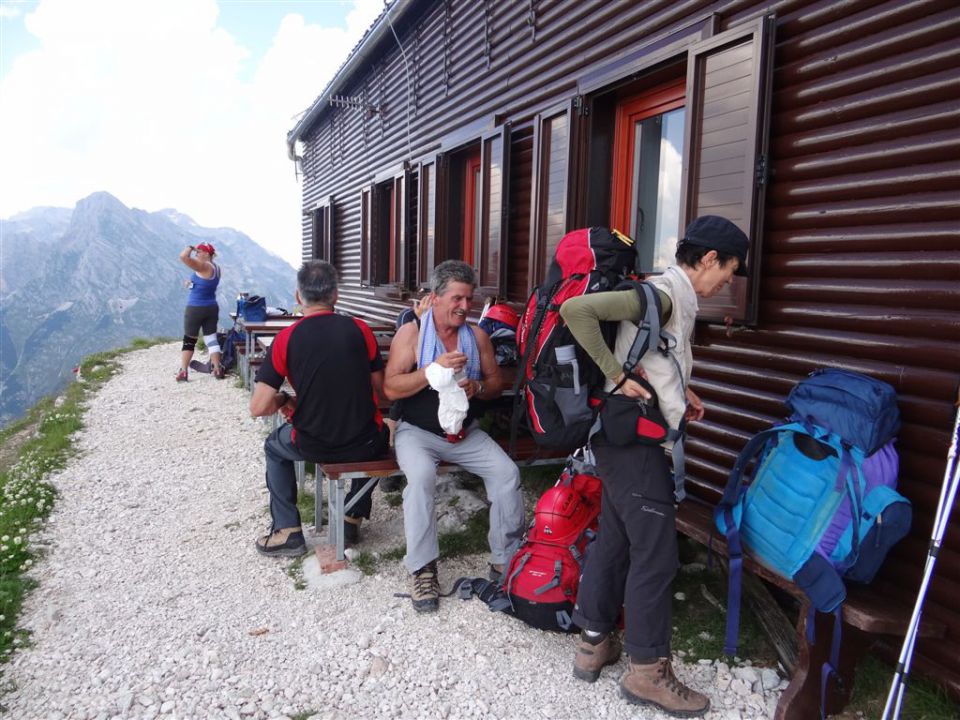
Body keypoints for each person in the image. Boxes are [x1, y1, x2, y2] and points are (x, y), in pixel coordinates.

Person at [558, 215, 749, 717]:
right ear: (709, 259)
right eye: (727, 271)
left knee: (617, 539)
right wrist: (617, 377)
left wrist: (679, 390)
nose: (726, 282)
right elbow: (576, 310)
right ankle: (647, 672)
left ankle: (593, 643)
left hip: (625, 439)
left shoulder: (673, 300)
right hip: (635, 445)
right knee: (657, 555)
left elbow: (652, 350)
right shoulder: (664, 295)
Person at [384, 260, 525, 613]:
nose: (465, 306)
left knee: (507, 474)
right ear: (435, 298)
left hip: (464, 433)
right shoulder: (412, 334)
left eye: (470, 299)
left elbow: (496, 384)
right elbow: (390, 387)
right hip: (416, 432)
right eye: (457, 298)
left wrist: (478, 386)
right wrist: (432, 371)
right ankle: (423, 568)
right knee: (420, 478)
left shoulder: (476, 337)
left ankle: (503, 560)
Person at [249, 260, 389, 555]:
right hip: (364, 442)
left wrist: (284, 400)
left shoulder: (286, 338)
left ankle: (288, 531)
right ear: (335, 296)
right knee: (386, 435)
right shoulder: (360, 330)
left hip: (311, 444)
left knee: (274, 447)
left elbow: (259, 407)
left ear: (298, 298)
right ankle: (352, 516)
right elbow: (382, 389)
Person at [177, 242, 224, 382]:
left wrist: (190, 247)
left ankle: (183, 371)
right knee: (211, 338)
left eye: (200, 251)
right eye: (197, 251)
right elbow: (206, 284)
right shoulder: (216, 268)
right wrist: (191, 285)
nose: (197, 253)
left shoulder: (203, 266)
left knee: (189, 340)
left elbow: (183, 257)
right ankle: (217, 369)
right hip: (211, 307)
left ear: (207, 254)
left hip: (196, 308)